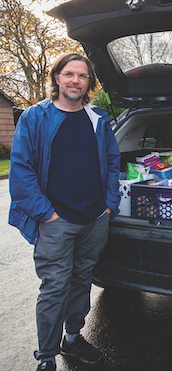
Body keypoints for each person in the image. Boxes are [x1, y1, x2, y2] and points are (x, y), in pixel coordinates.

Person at [8, 53, 121, 371]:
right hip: (56, 221)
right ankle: (46, 356)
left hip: (95, 218)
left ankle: (72, 338)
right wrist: (47, 215)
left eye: (82, 76)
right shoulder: (35, 117)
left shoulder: (98, 119)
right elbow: (21, 171)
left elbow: (113, 161)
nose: (75, 80)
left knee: (82, 281)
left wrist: (109, 205)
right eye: (69, 74)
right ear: (56, 78)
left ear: (89, 83)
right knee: (54, 288)